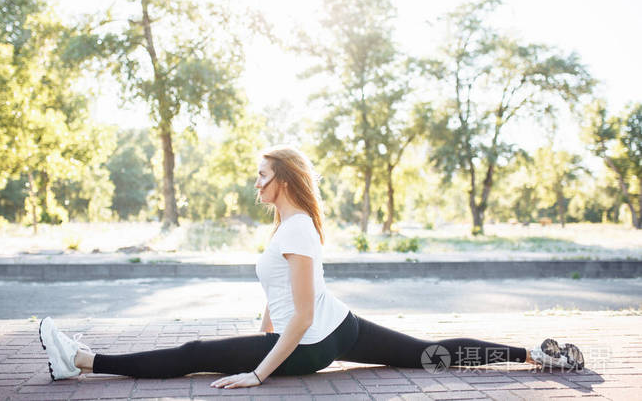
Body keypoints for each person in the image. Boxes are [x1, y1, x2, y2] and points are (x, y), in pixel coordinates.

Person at [38, 145, 585, 388]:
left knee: (194, 354)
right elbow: (282, 301)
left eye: (261, 175)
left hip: (314, 341)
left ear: (284, 182)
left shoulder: (296, 229)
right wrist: (258, 337)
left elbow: (297, 318)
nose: (255, 183)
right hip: (339, 327)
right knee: (426, 354)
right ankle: (534, 355)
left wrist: (257, 370)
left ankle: (80, 360)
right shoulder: (288, 228)